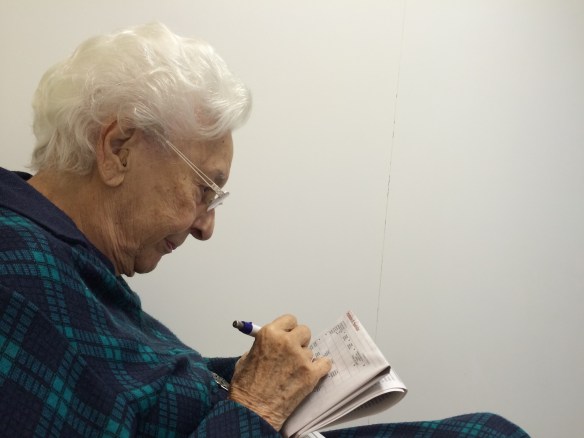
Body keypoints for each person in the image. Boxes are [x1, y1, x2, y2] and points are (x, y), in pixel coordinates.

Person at [0, 22, 529, 437]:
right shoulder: (16, 275)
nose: (206, 227)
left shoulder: (60, 254)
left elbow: (137, 391)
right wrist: (257, 404)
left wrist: (259, 373)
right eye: (204, 189)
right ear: (118, 149)